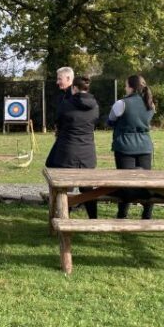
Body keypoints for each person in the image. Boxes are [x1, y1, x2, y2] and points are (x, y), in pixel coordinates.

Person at [45, 75, 99, 219]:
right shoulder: (95, 105)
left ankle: (64, 219)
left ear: (74, 88)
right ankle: (93, 219)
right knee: (87, 187)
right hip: (87, 153)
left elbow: (58, 121)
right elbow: (94, 123)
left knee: (65, 188)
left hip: (67, 151)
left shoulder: (66, 104)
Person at [108, 75, 155, 219]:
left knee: (125, 182)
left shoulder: (121, 103)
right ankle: (147, 214)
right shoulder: (149, 103)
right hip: (145, 144)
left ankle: (122, 214)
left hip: (125, 145)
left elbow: (110, 121)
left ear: (131, 87)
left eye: (126, 85)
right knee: (145, 182)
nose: (125, 88)